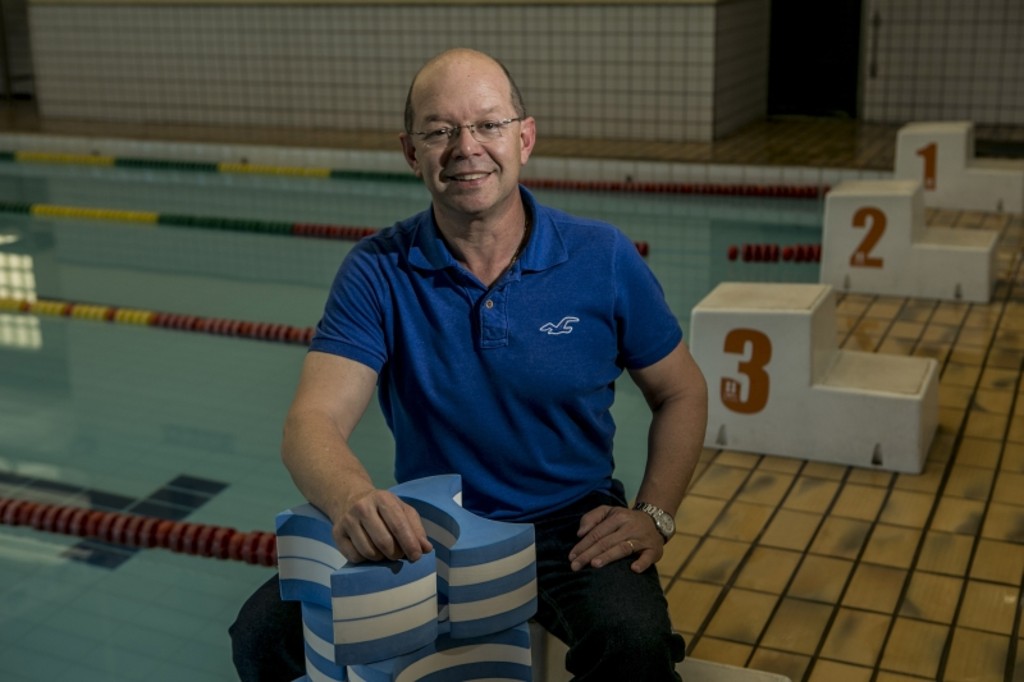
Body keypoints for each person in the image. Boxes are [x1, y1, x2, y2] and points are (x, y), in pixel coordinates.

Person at [230, 47, 708, 682]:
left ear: (525, 138)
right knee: (261, 637)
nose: (466, 147)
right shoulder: (378, 270)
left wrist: (655, 514)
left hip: (571, 526)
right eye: (440, 130)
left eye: (488, 124)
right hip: (431, 532)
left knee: (634, 646)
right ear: (411, 152)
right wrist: (353, 499)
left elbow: (682, 393)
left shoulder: (603, 257)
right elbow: (311, 421)